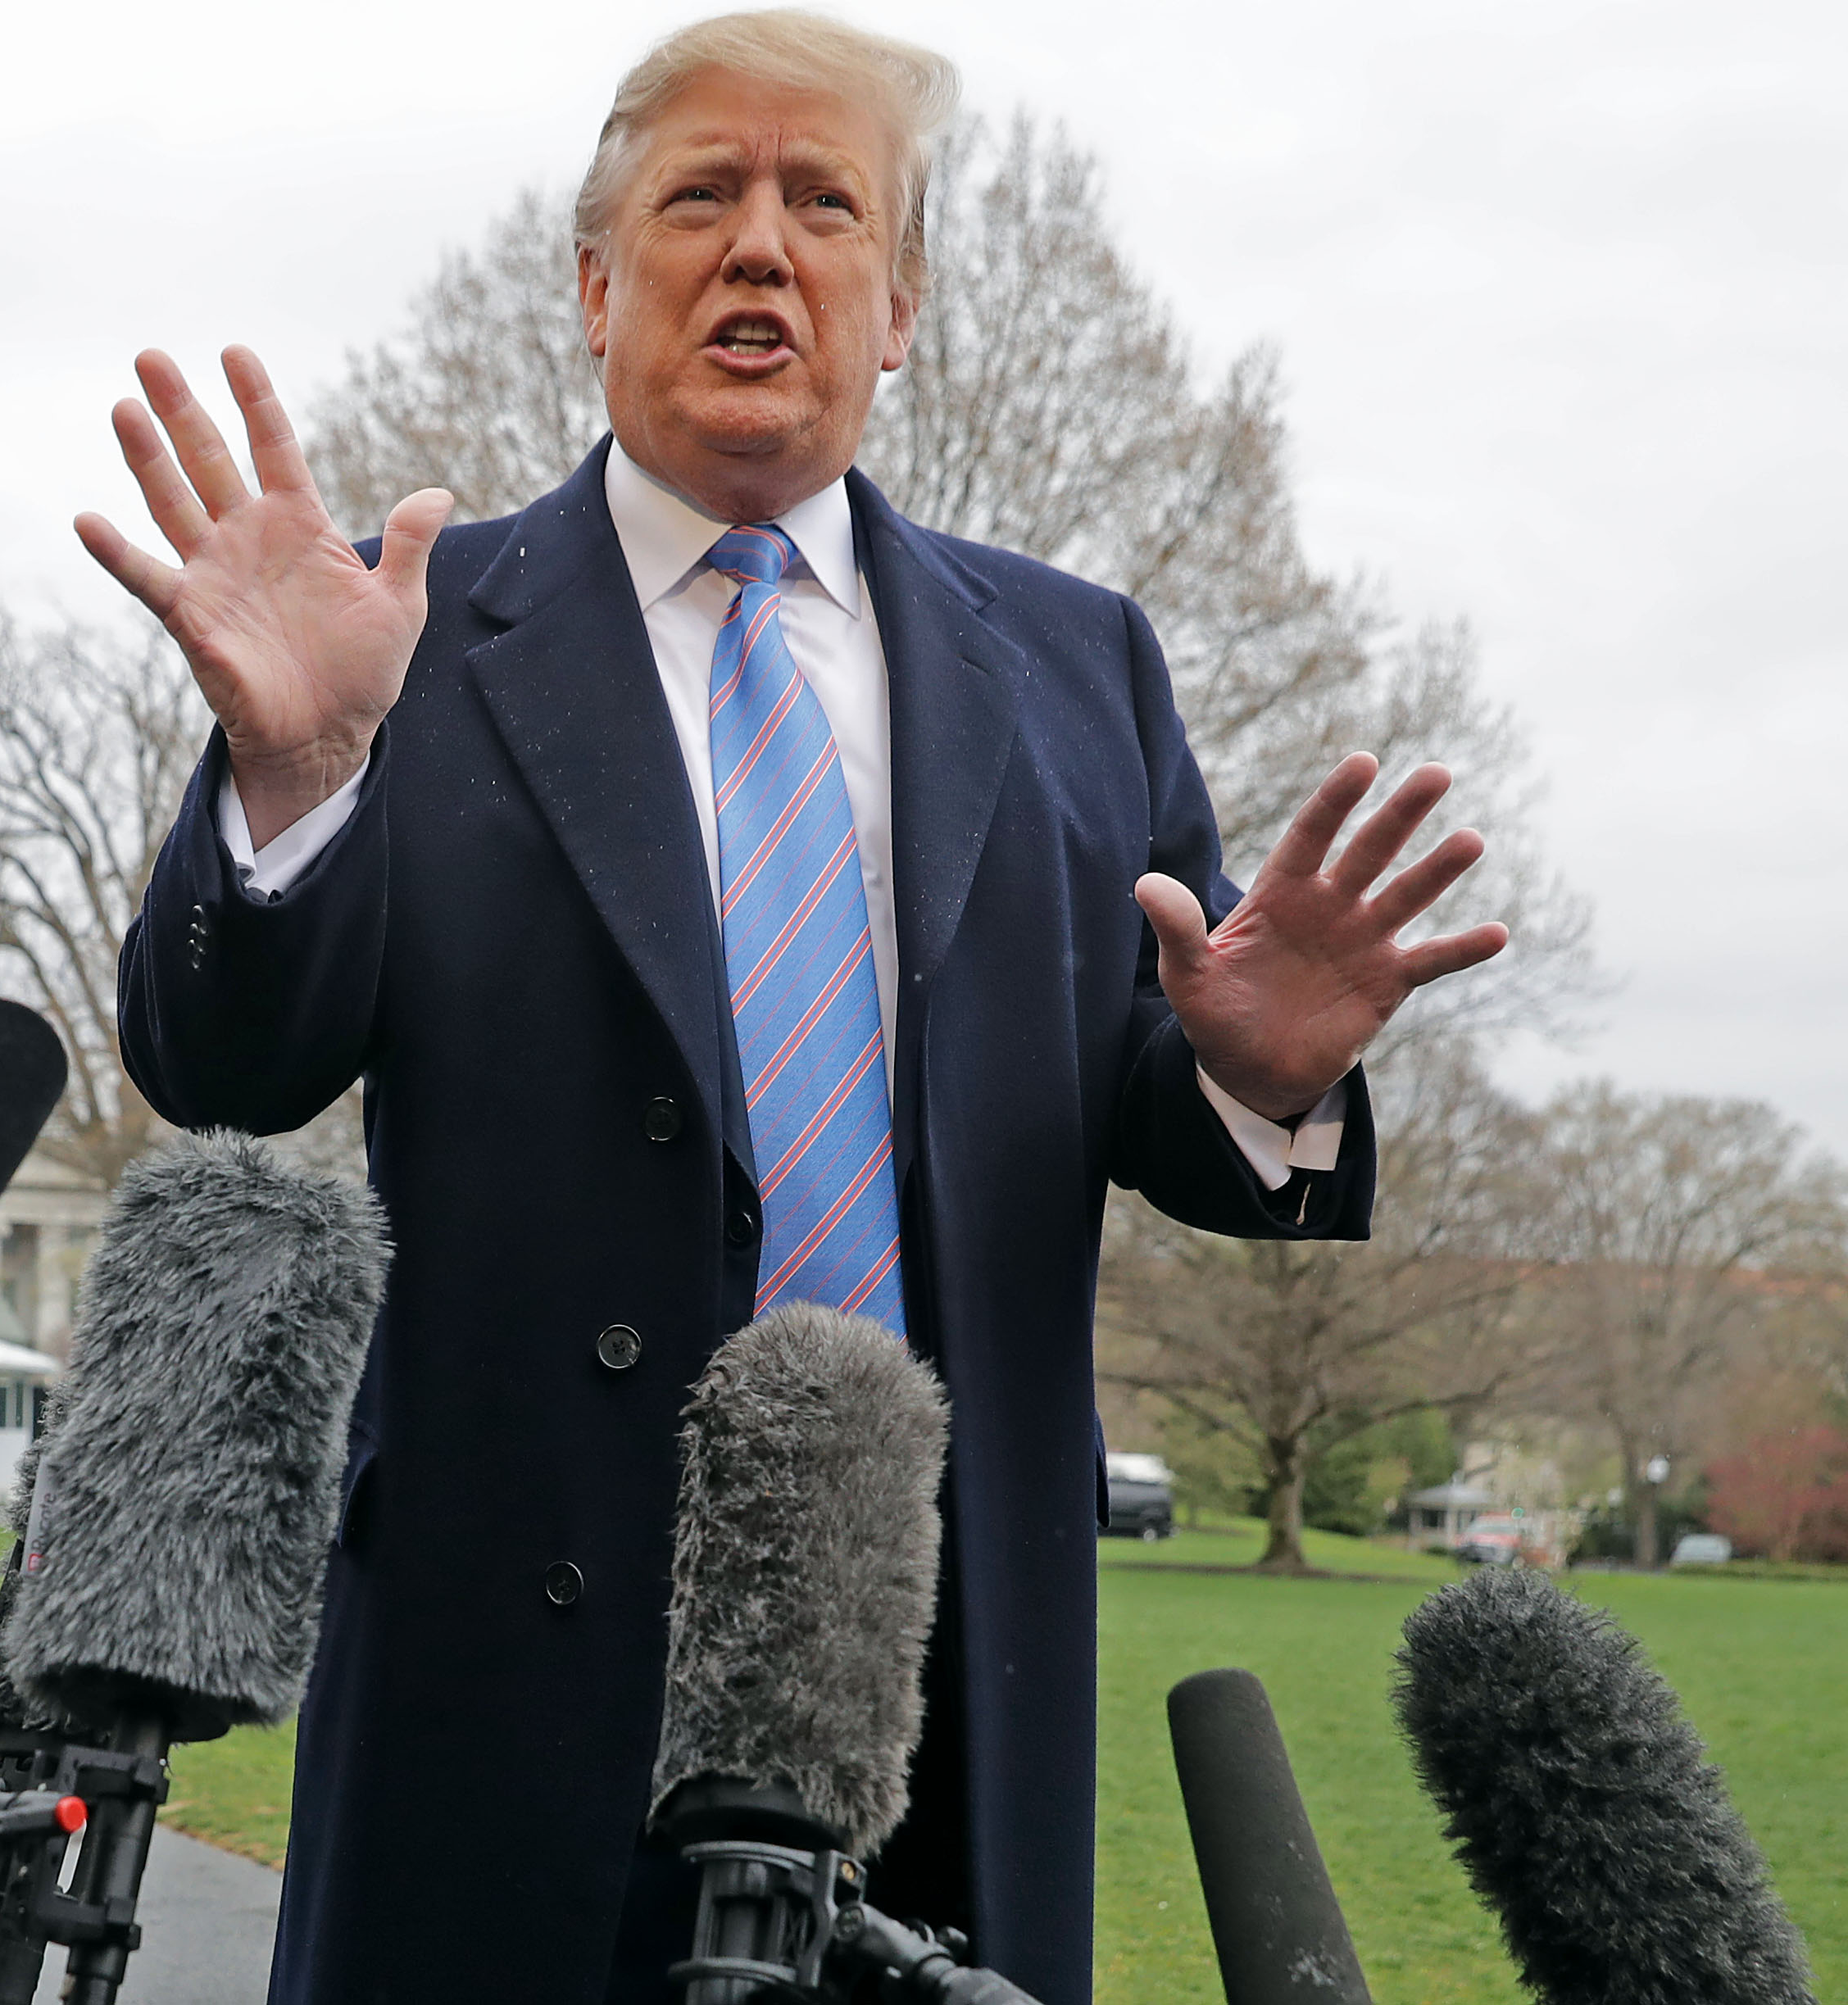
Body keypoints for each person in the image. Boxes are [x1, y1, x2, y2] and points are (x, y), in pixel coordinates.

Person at [85, 13, 1504, 2003]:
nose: (764, 245)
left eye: (825, 202)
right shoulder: (402, 626)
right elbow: (225, 1063)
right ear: (596, 286)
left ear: (899, 304)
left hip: (932, 1681)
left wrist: (1257, 1083)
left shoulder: (1079, 664)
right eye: (702, 197)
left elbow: (1131, 1094)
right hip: (508, 1695)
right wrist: (304, 778)